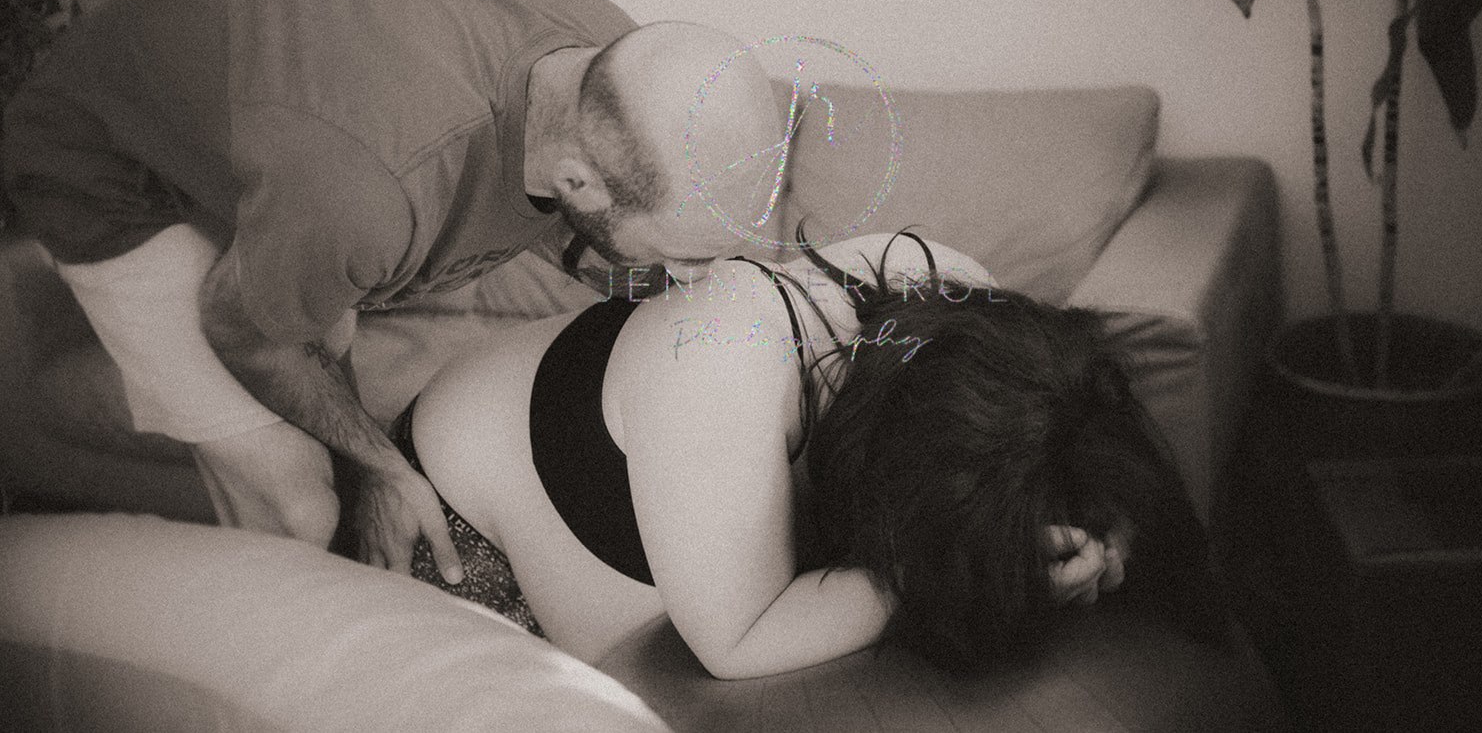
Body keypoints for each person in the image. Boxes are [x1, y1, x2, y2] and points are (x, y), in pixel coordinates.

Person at [0, 0, 786, 585]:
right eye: (690, 256)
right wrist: (380, 468)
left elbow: (578, 231)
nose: (698, 278)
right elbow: (239, 325)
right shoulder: (371, 191)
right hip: (109, 173)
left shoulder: (609, 67)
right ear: (577, 178)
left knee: (330, 426)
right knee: (302, 499)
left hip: (265, 139)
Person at [403, 230, 1226, 677]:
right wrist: (989, 569)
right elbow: (738, 644)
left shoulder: (955, 297)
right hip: (447, 541)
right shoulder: (725, 369)